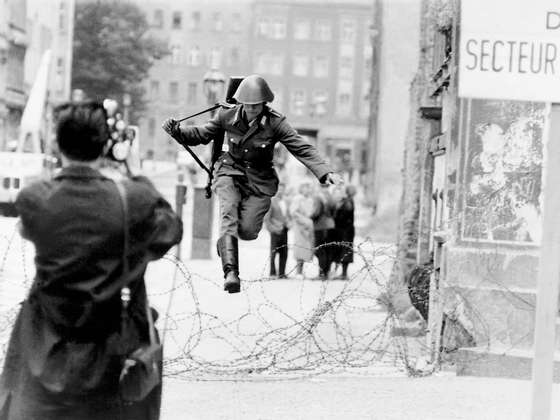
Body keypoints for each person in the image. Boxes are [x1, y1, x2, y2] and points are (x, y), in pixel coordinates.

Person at [0, 102, 183, 420]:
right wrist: (134, 171)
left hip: (44, 349)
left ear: (57, 143)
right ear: (106, 146)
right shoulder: (132, 200)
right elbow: (170, 231)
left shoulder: (36, 198)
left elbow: (28, 227)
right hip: (112, 352)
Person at [162, 74, 343, 293]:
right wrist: (178, 131)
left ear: (265, 103)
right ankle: (230, 273)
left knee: (247, 231)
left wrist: (325, 172)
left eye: (257, 105)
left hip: (260, 180)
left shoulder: (275, 122)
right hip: (229, 171)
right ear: (240, 102)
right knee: (228, 213)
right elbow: (202, 134)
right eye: (248, 105)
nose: (252, 109)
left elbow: (300, 147)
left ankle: (226, 242)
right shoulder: (226, 115)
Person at [289, 181, 315, 279]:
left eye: (309, 188)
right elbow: (293, 212)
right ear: (302, 189)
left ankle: (302, 271)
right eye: (306, 187)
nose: (308, 189)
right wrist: (304, 220)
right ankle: (298, 272)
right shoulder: (297, 199)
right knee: (299, 248)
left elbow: (311, 212)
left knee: (306, 249)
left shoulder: (310, 199)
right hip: (300, 226)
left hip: (308, 226)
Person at [264, 182, 290, 278]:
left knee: (284, 253)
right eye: (279, 188)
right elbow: (267, 219)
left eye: (283, 189)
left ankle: (282, 273)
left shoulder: (286, 201)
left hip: (285, 230)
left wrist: (288, 224)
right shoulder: (271, 201)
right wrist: (272, 229)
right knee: (273, 252)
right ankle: (272, 273)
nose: (281, 191)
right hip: (275, 231)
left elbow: (287, 215)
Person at [311, 183, 336, 280]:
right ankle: (327, 272)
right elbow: (334, 211)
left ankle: (321, 273)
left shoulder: (318, 197)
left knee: (320, 250)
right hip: (331, 225)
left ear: (320, 186)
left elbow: (316, 212)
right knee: (328, 250)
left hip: (320, 226)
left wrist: (311, 217)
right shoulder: (331, 197)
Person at [332, 185, 356, 280]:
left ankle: (344, 273)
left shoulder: (348, 201)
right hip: (344, 230)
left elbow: (345, 215)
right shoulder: (346, 201)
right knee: (342, 250)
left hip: (345, 230)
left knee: (345, 250)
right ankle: (340, 272)